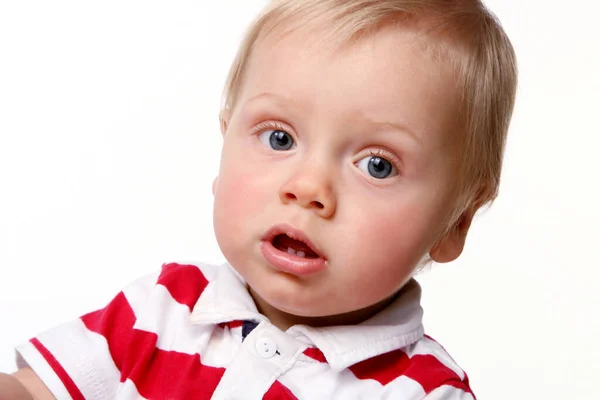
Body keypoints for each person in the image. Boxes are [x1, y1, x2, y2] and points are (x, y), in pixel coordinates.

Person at [0, 0, 517, 398]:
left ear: (456, 224)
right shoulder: (162, 310)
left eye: (377, 165)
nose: (308, 188)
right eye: (279, 138)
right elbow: (31, 391)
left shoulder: (422, 390)